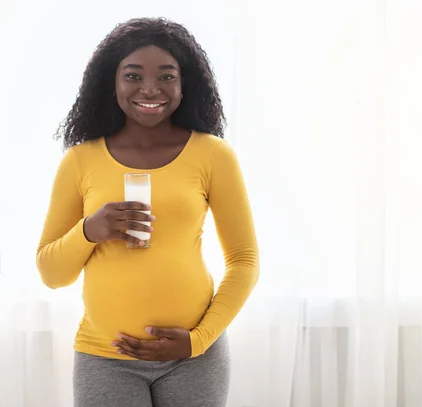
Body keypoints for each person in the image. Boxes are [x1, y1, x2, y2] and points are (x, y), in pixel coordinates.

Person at [36, 17, 259, 407]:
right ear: (112, 82)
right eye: (133, 76)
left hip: (194, 358)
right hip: (105, 357)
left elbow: (244, 261)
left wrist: (198, 340)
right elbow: (51, 274)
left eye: (166, 77)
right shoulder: (80, 161)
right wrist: (90, 229)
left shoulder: (213, 156)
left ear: (184, 83)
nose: (150, 89)